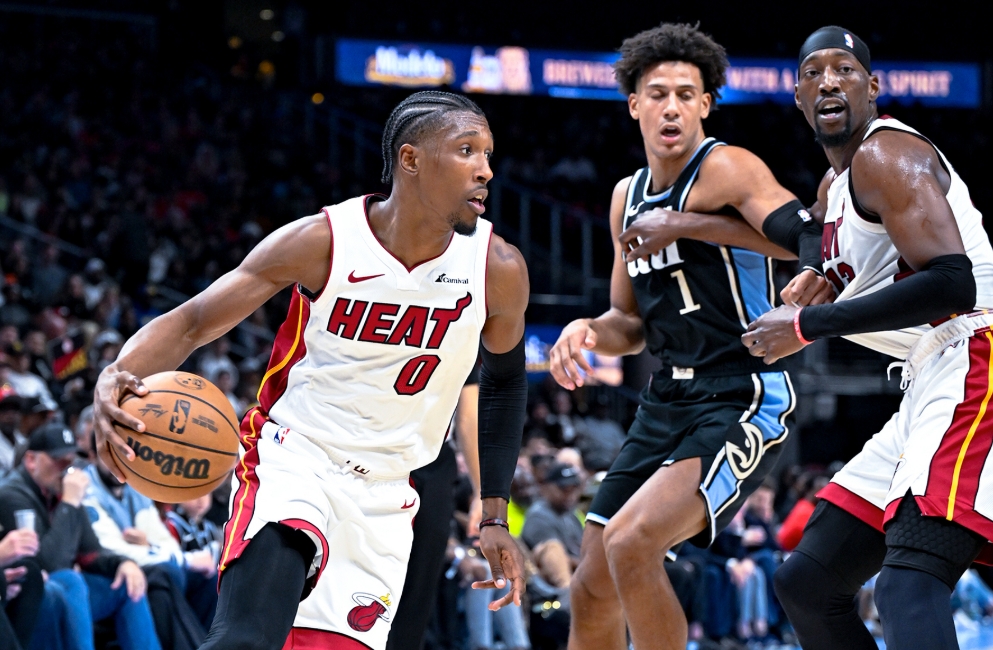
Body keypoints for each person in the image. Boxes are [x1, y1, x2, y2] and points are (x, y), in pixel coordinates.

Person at [92, 90, 530, 650]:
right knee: (245, 641)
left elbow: (505, 381)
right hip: (297, 457)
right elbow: (195, 321)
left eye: (488, 154)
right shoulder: (326, 241)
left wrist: (494, 514)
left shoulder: (497, 268)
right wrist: (117, 372)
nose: (485, 170)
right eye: (467, 150)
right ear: (411, 159)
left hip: (387, 491)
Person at [548, 23, 826, 650]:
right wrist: (584, 328)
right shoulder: (625, 197)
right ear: (634, 106)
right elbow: (628, 326)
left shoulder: (727, 168)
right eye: (657, 94)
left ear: (705, 105)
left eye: (684, 95)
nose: (670, 107)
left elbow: (807, 235)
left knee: (632, 544)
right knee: (591, 583)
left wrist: (686, 224)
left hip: (742, 392)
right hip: (667, 400)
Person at [744, 26, 993, 650]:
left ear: (872, 87)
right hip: (930, 375)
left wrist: (804, 325)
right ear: (798, 97)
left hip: (978, 351)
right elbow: (809, 229)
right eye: (813, 73)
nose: (829, 81)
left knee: (908, 585)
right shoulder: (835, 187)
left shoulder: (886, 155)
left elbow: (952, 283)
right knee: (808, 582)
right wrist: (814, 270)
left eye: (845, 70)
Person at [0, 421, 159, 650]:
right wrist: (69, 503)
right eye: (58, 460)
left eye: (70, 460)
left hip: (64, 589)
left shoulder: (59, 490)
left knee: (128, 584)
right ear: (31, 460)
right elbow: (46, 565)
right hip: (27, 594)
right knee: (70, 580)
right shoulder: (11, 495)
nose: (67, 469)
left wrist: (123, 563)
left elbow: (91, 552)